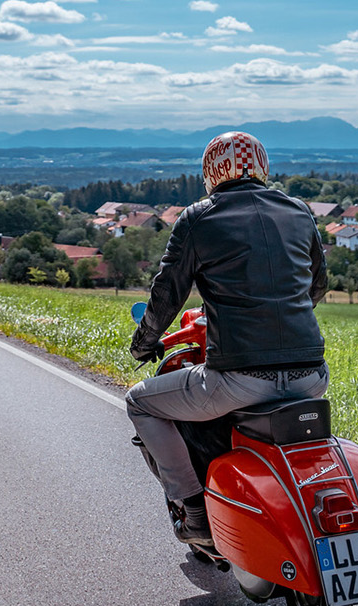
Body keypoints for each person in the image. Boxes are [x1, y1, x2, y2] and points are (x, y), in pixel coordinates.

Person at [127, 131, 330, 549]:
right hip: (312, 375)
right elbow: (317, 284)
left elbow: (169, 292)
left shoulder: (199, 217)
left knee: (139, 402)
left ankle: (196, 512)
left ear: (210, 173)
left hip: (239, 377)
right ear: (262, 167)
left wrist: (144, 341)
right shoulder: (298, 210)